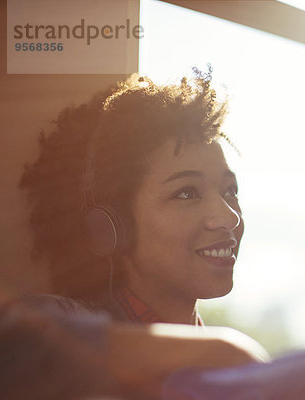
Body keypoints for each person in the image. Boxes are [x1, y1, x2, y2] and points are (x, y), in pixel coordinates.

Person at [19, 68, 244, 327]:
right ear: (111, 223)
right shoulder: (53, 332)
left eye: (230, 191)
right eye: (186, 193)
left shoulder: (222, 356)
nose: (230, 217)